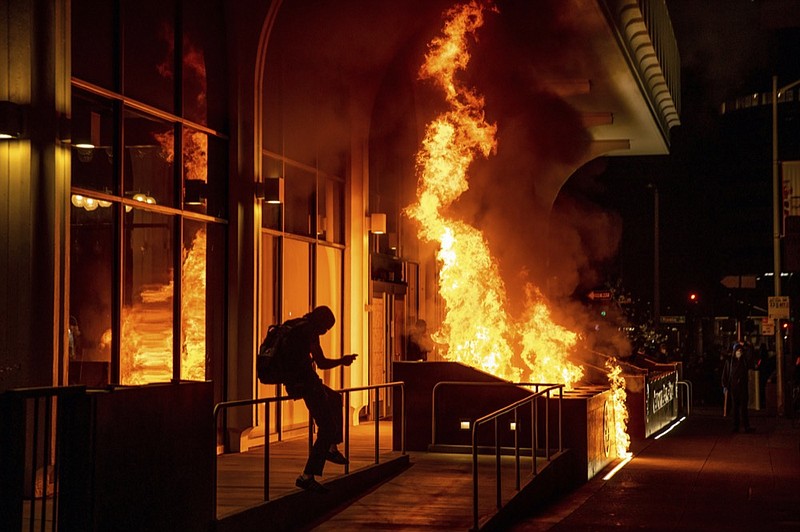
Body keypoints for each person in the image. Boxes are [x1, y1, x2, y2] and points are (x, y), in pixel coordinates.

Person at [281, 305, 358, 492]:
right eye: (325, 328)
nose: (324, 332)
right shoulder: (309, 331)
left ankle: (332, 448)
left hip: (299, 381)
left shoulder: (297, 325)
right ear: (320, 322)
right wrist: (342, 360)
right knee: (327, 427)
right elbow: (321, 362)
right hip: (306, 383)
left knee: (335, 398)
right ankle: (307, 476)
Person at [721, 341, 754, 433]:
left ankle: (746, 427)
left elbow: (750, 354)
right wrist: (725, 386)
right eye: (738, 350)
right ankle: (735, 426)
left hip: (743, 387)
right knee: (735, 408)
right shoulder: (730, 362)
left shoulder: (744, 361)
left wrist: (746, 345)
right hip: (733, 388)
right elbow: (725, 374)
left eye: (740, 350)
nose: (739, 352)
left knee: (744, 408)